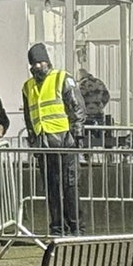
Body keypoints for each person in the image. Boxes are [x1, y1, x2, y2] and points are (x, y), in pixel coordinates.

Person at [21, 43, 85, 236]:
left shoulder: (62, 78)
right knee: (51, 188)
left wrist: (77, 137)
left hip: (65, 142)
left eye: (41, 62)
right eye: (34, 63)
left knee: (70, 186)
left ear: (47, 61)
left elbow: (77, 109)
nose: (38, 66)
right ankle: (57, 228)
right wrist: (33, 140)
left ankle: (76, 228)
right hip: (43, 143)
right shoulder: (28, 86)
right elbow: (28, 116)